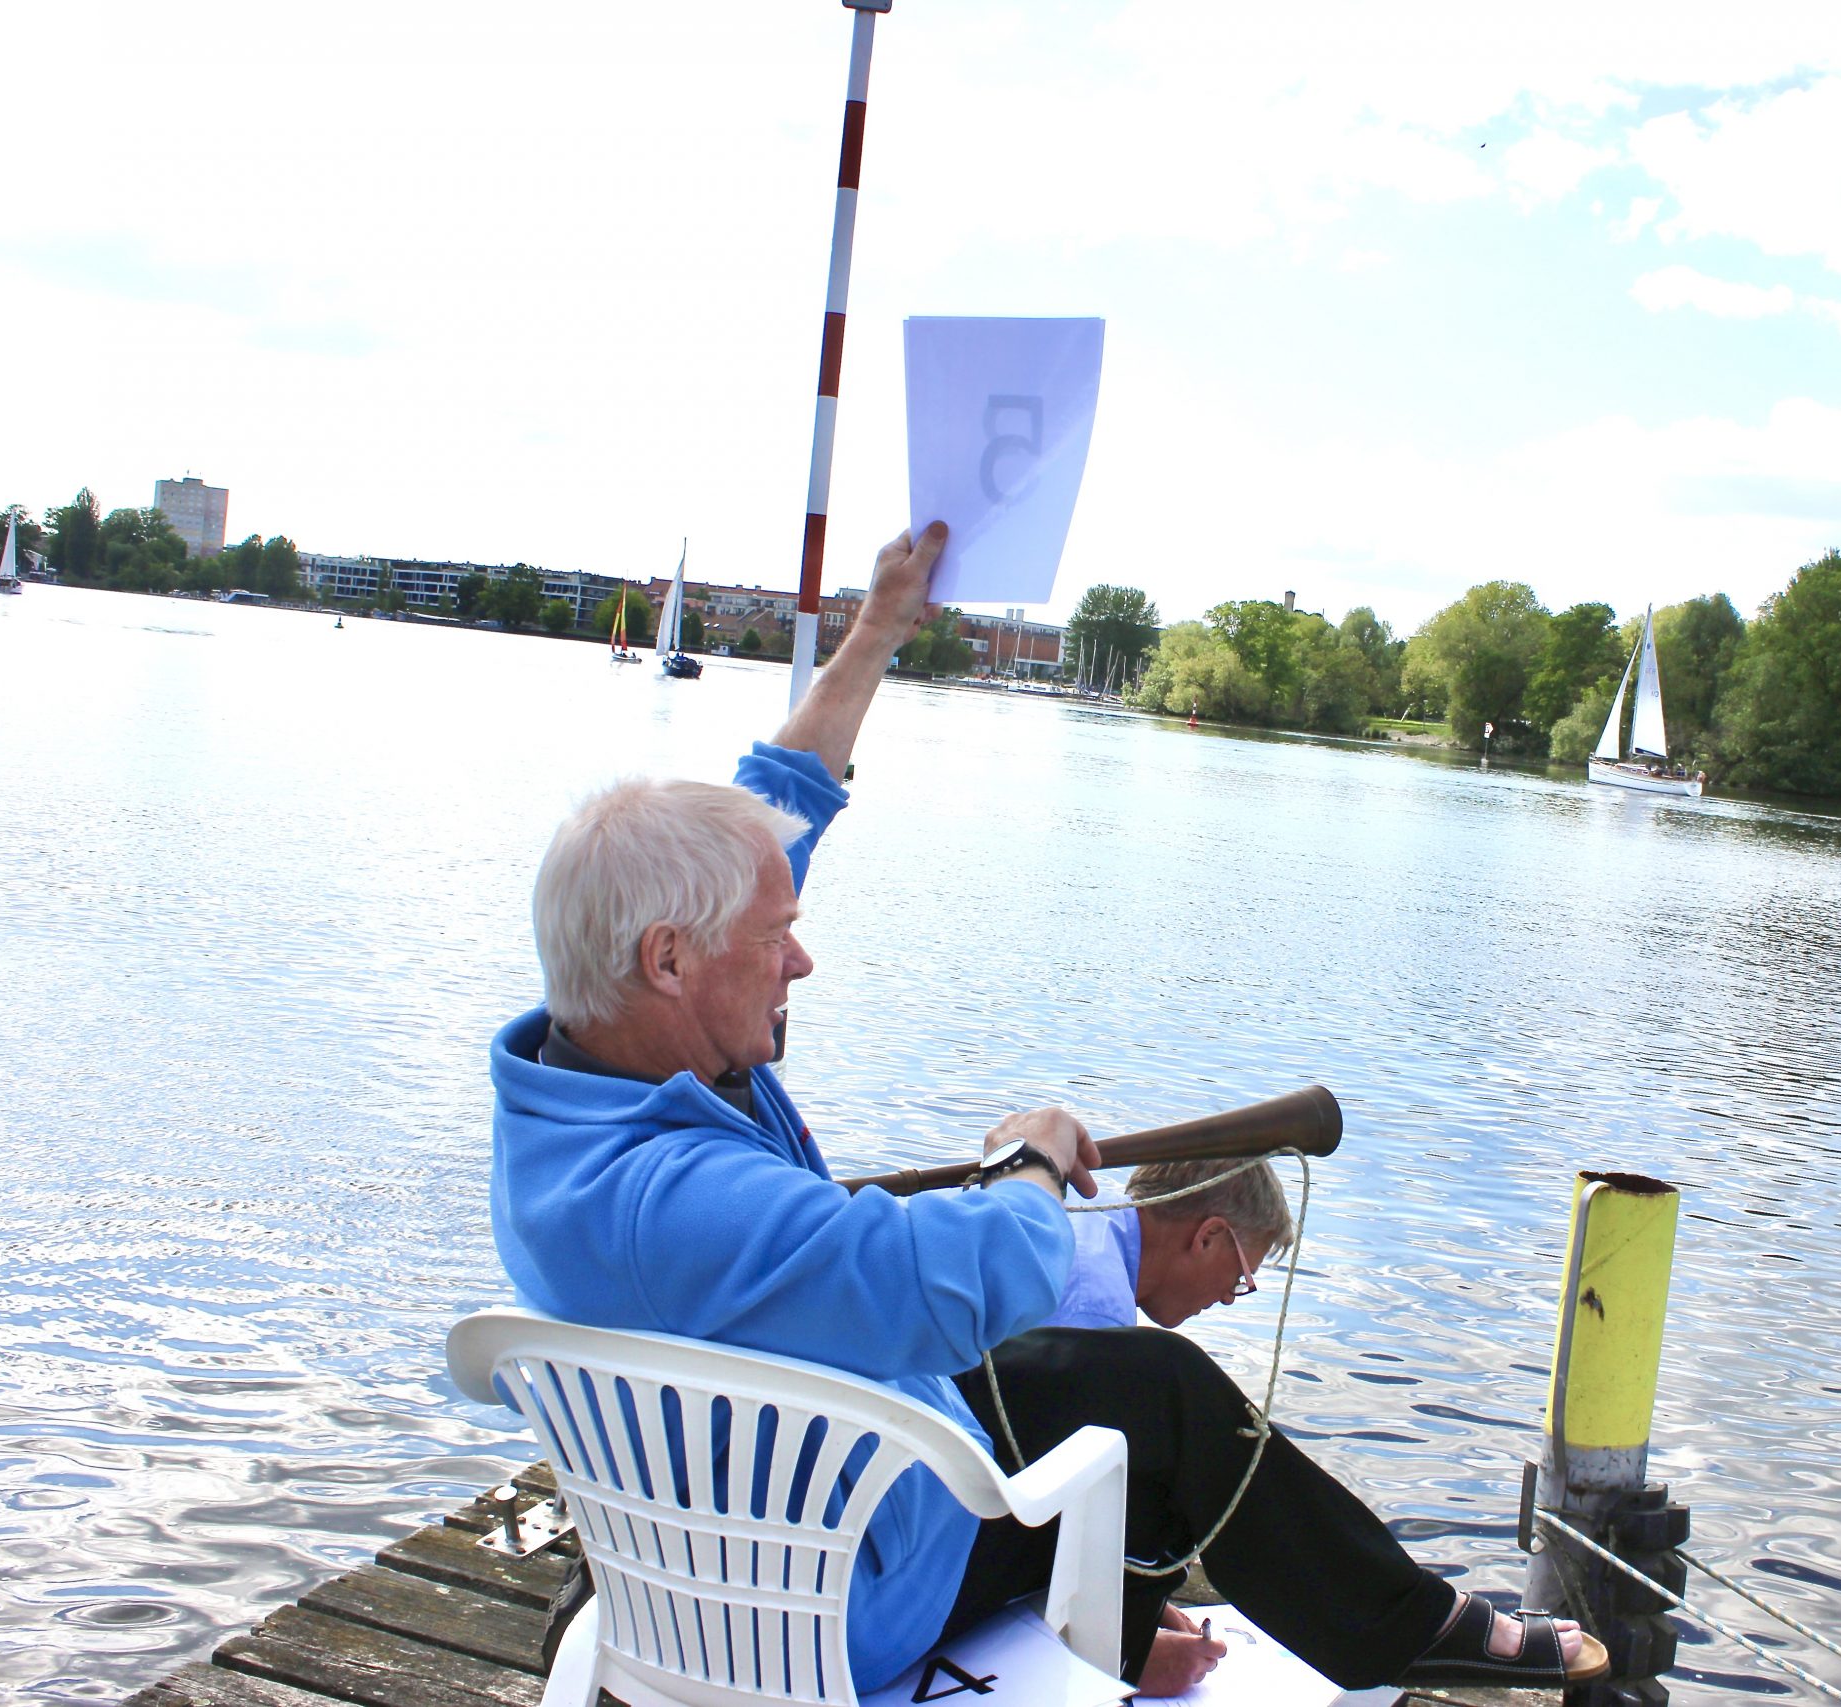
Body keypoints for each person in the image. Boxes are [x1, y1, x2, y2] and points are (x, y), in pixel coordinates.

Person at [489, 521, 1605, 1700]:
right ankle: (1388, 1628)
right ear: (670, 960)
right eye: (777, 941)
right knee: (1151, 1407)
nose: (799, 964)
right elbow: (958, 1285)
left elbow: (778, 804)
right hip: (822, 1584)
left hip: (718, 1515)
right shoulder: (665, 1201)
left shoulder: (591, 1062)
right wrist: (1026, 1161)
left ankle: (1172, 1627)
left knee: (1104, 1383)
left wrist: (877, 629)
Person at [1043, 1158, 1291, 1331]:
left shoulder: (1068, 1194)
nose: (1229, 1298)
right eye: (1240, 1276)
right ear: (1208, 1237)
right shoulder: (1095, 1313)